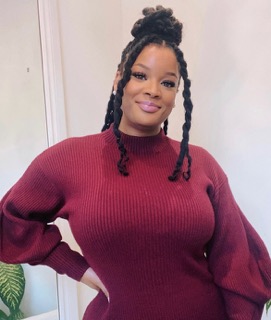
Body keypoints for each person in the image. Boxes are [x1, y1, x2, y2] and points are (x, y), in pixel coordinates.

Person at [0, 5, 271, 320]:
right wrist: (79, 270)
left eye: (168, 83)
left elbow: (236, 262)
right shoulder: (68, 160)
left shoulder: (201, 164)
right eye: (140, 75)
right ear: (119, 79)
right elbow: (12, 221)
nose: (153, 91)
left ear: (177, 94)